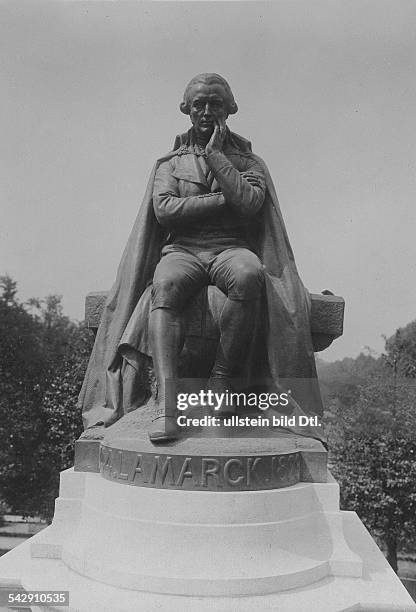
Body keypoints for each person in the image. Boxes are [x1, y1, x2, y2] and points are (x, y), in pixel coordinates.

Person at [78, 73, 325, 445]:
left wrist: (215, 157)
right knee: (165, 284)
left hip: (231, 249)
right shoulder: (170, 163)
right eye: (199, 105)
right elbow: (165, 211)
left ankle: (222, 382)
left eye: (215, 104)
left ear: (230, 109)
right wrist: (223, 199)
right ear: (187, 110)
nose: (207, 111)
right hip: (184, 251)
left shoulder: (249, 162)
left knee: (249, 274)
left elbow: (250, 205)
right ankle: (168, 406)